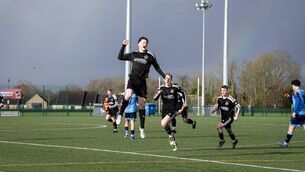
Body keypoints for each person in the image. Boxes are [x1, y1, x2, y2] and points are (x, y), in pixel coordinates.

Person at [117, 36, 166, 139]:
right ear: (138, 44)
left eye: (146, 42)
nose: (145, 43)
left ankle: (142, 129)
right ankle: (120, 114)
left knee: (142, 105)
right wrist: (123, 45)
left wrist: (164, 76)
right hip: (133, 80)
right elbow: (120, 57)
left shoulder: (150, 55)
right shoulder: (133, 55)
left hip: (142, 82)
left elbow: (157, 67)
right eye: (143, 42)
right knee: (128, 95)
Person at [153, 73, 186, 151]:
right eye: (166, 78)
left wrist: (185, 102)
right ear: (164, 79)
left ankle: (171, 138)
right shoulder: (161, 87)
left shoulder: (175, 87)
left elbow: (183, 93)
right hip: (164, 110)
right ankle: (174, 139)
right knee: (166, 125)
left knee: (163, 123)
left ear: (171, 80)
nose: (167, 80)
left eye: (169, 79)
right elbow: (155, 98)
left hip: (173, 109)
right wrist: (158, 93)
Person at [277, 79, 305, 148]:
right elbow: (299, 100)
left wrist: (294, 112)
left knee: (291, 127)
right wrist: (290, 97)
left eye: (292, 85)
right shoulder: (302, 92)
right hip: (304, 113)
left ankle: (285, 144)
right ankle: (285, 144)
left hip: (298, 113)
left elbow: (298, 102)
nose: (292, 87)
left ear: (294, 85)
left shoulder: (295, 92)